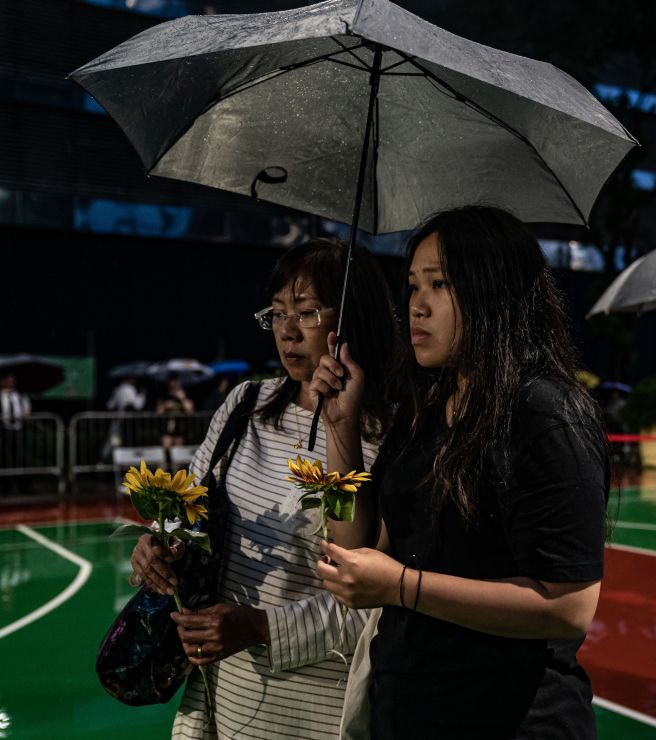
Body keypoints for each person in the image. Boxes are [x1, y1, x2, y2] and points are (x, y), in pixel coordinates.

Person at [311, 206, 609, 738]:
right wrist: (341, 427)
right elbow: (356, 538)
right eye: (411, 285)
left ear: (493, 292)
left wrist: (402, 587)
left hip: (509, 718)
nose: (416, 305)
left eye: (439, 284)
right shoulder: (425, 405)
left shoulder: (545, 412)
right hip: (407, 705)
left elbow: (569, 606)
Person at [127, 237, 397, 739]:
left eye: (308, 313)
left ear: (353, 320)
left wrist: (259, 627)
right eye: (276, 314)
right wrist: (159, 545)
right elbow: (188, 513)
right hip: (219, 691)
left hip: (316, 710)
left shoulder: (392, 439)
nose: (287, 333)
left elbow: (374, 602)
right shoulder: (244, 406)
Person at [0, 372, 31, 487]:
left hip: (19, 429)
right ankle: (6, 485)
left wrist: (25, 414)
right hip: (4, 431)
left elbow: (27, 411)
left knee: (22, 458)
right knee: (5, 458)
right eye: (7, 380)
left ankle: (24, 484)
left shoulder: (21, 395)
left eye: (12, 380)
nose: (10, 382)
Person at [155, 374, 195, 449]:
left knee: (178, 450)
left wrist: (182, 398)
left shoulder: (185, 394)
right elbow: (158, 411)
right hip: (167, 426)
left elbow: (190, 410)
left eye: (176, 381)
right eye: (171, 381)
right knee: (166, 447)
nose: (174, 383)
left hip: (180, 426)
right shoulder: (164, 395)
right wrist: (165, 405)